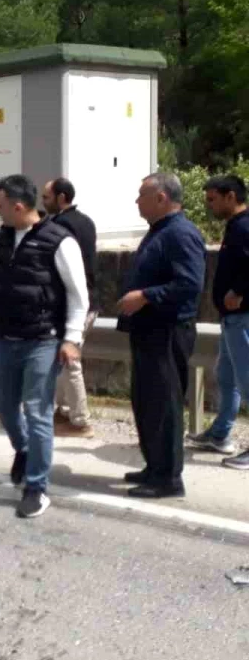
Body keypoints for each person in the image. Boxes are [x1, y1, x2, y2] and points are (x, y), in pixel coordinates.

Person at [0, 175, 89, 519]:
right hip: (5, 337)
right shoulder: (4, 237)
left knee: (37, 410)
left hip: (43, 340)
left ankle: (36, 487)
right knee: (1, 403)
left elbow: (79, 295)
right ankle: (26, 448)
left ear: (18, 207)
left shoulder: (60, 241)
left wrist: (73, 339)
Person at [117, 172, 206, 498]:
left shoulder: (180, 234)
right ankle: (155, 467)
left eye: (142, 194)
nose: (136, 200)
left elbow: (189, 285)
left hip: (167, 332)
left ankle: (169, 478)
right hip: (148, 332)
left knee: (165, 406)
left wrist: (144, 296)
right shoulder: (160, 232)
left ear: (161, 198)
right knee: (148, 403)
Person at [191, 175, 249, 470]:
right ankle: (220, 434)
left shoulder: (245, 227)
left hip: (242, 318)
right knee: (227, 378)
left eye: (212, 199)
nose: (209, 205)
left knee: (247, 379)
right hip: (231, 319)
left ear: (230, 196)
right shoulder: (235, 227)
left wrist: (239, 292)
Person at [41, 177, 98, 438]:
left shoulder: (59, 225)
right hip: (90, 300)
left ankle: (80, 420)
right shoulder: (86, 221)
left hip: (72, 303)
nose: (43, 202)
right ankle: (64, 412)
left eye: (47, 197)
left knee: (70, 360)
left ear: (61, 197)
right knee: (64, 361)